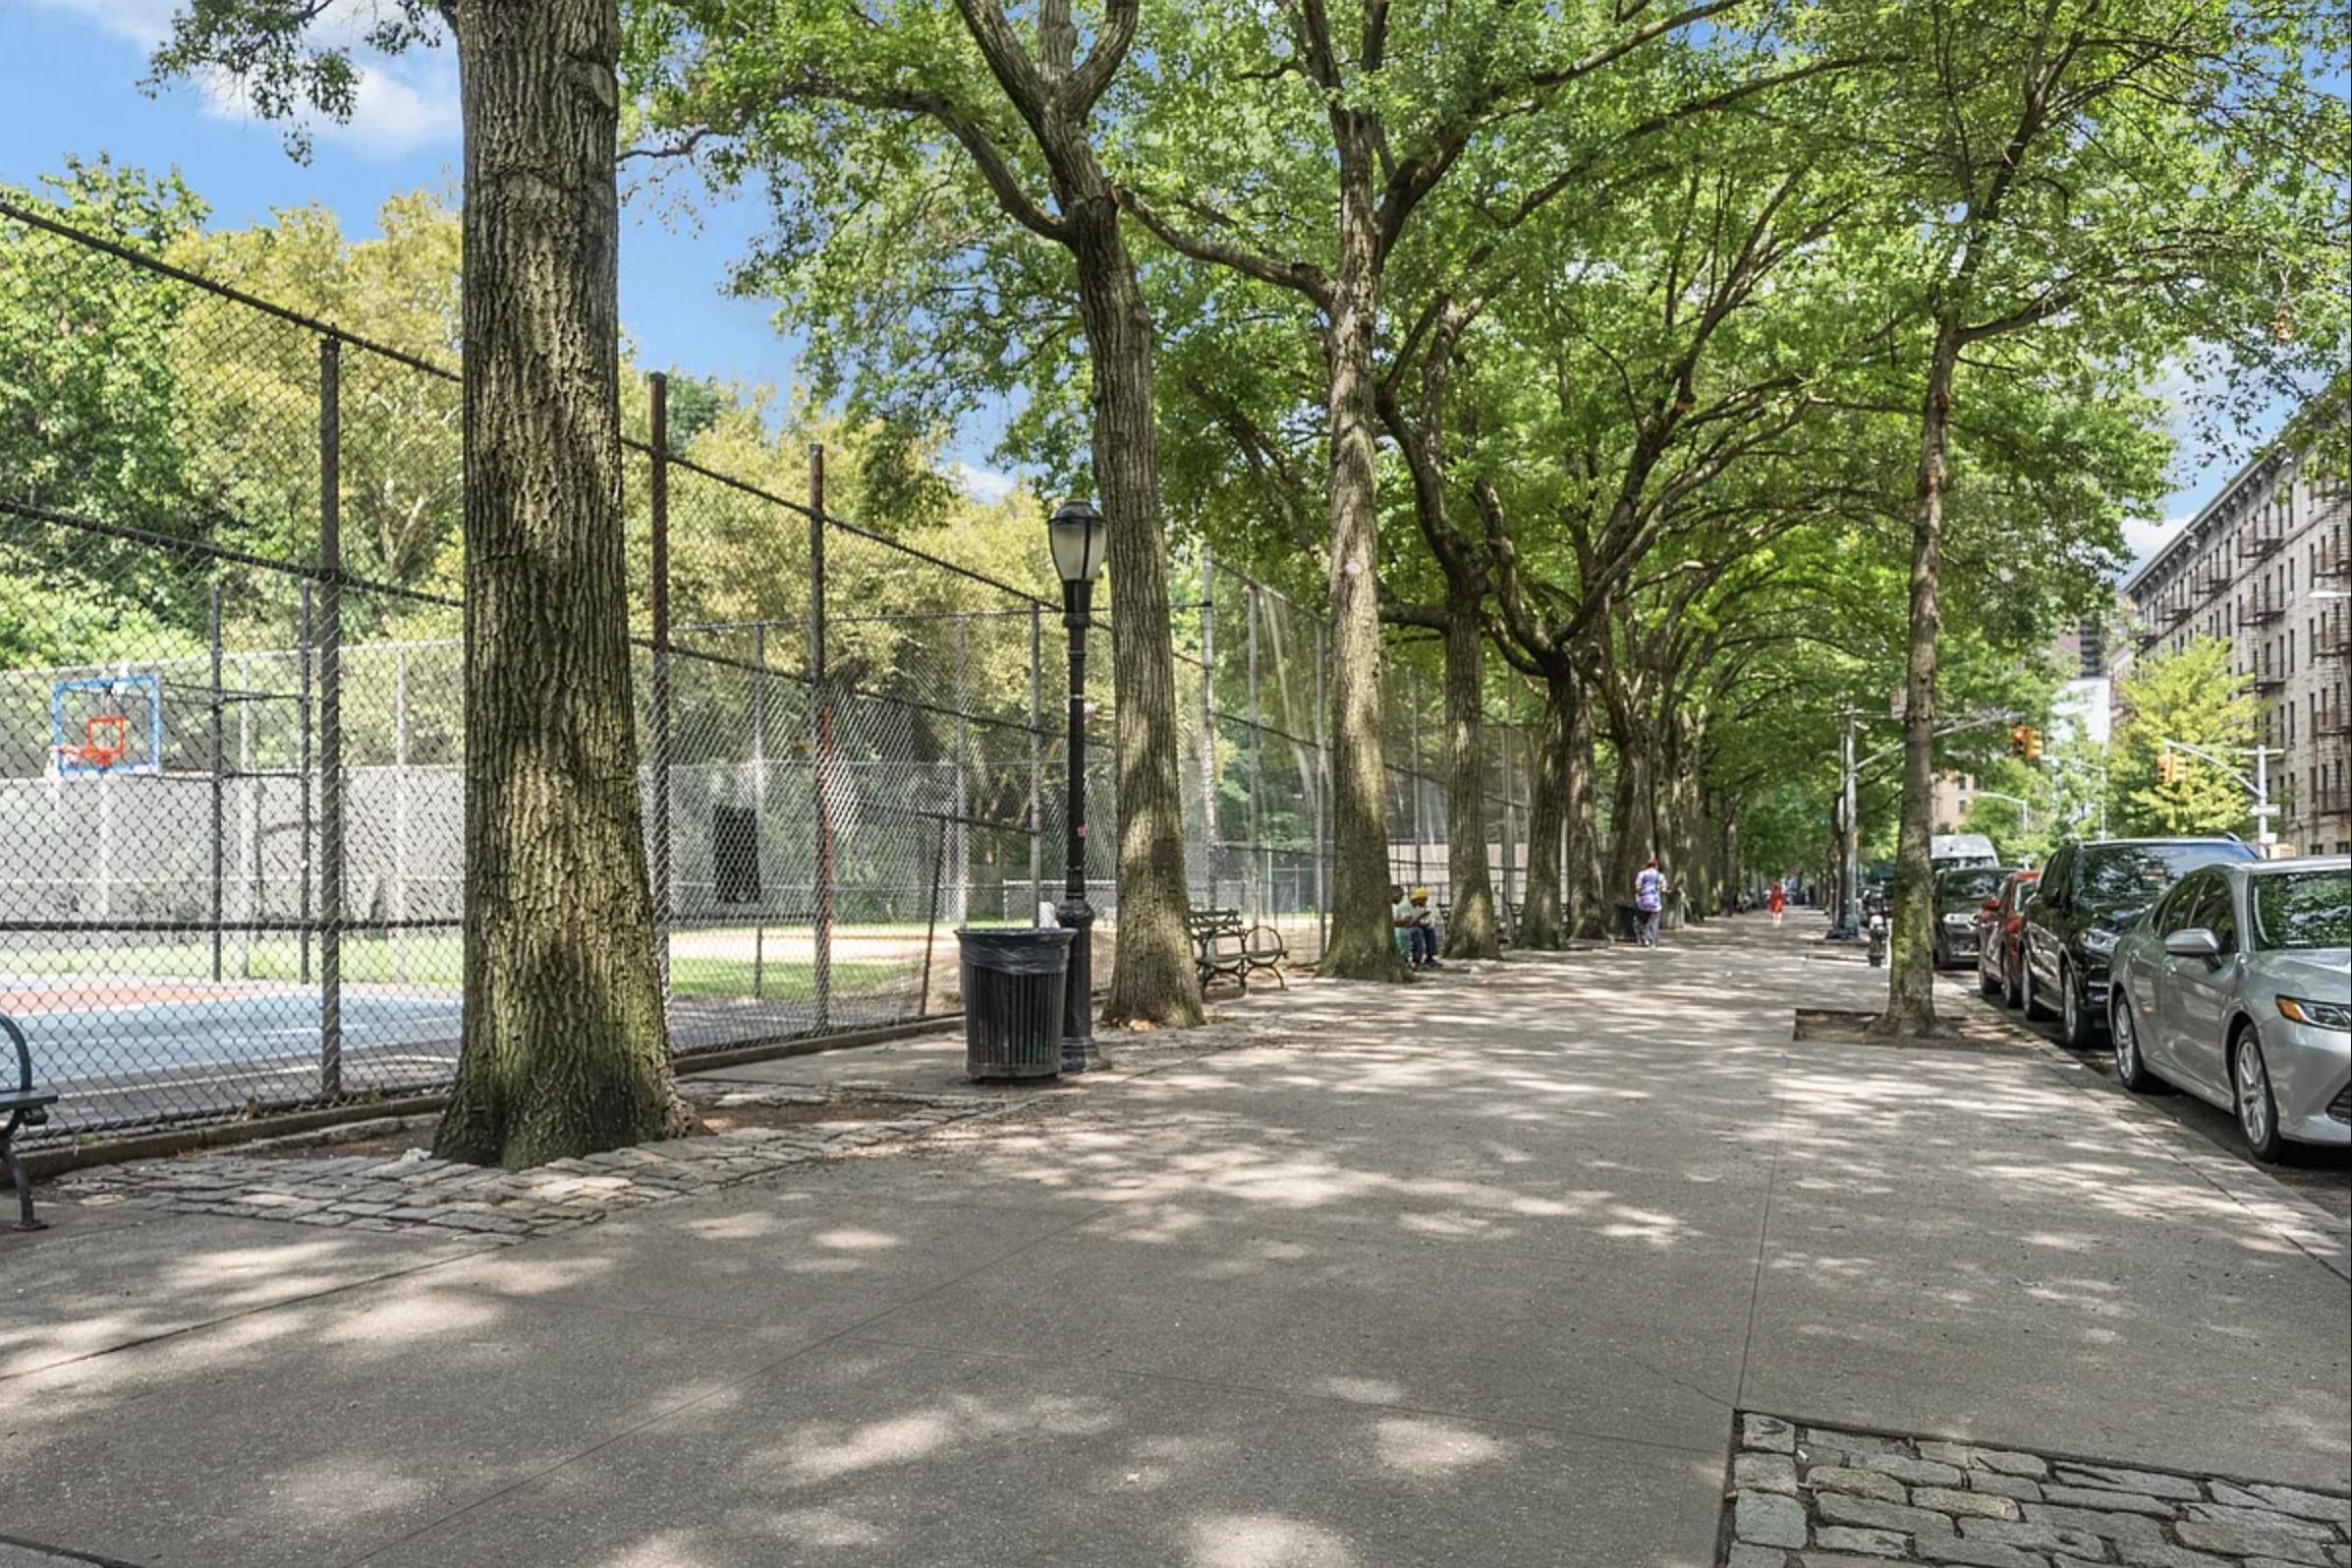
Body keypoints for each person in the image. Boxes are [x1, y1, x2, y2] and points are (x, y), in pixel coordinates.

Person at [1634, 858, 1667, 948]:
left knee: (1641, 921)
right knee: (1654, 923)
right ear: (1656, 866)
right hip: (1655, 904)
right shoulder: (1660, 876)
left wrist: (1641, 893)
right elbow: (1663, 889)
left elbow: (1637, 888)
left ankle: (1643, 939)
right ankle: (1653, 942)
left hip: (1643, 903)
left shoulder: (1641, 874)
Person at [1407, 887, 1442, 970]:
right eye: (1424, 900)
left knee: (1430, 930)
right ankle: (1416, 959)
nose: (1425, 903)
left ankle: (1430, 958)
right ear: (1419, 899)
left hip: (1415, 926)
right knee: (1418, 931)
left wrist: (1424, 925)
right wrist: (1421, 917)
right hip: (1407, 928)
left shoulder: (1418, 908)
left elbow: (1416, 922)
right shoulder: (1408, 907)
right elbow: (1408, 923)